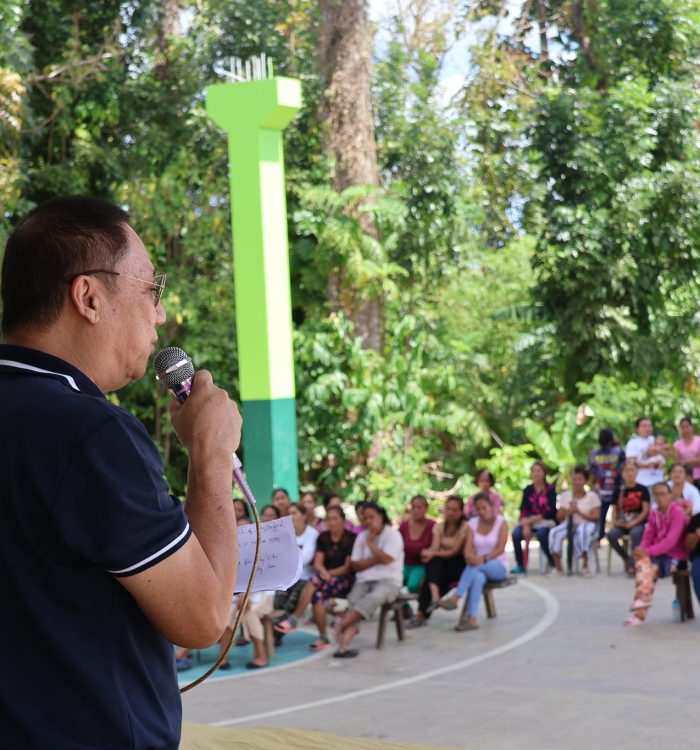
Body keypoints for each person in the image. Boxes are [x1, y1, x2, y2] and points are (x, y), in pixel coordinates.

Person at [0, 196, 241, 749]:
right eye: (152, 291)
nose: (160, 315)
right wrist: (209, 461)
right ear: (87, 296)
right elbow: (203, 619)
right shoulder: (88, 432)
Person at [273, 505, 356, 649]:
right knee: (317, 596)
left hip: (344, 579)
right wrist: (323, 571)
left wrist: (328, 574)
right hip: (324, 578)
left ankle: (294, 618)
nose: (331, 522)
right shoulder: (324, 537)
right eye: (328, 519)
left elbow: (347, 567)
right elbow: (318, 562)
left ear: (343, 520)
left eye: (335, 518)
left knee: (313, 582)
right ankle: (323, 637)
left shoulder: (351, 538)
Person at [333, 502, 404, 658]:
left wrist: (371, 545)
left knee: (374, 597)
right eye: (365, 518)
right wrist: (377, 559)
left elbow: (387, 559)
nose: (368, 521)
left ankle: (341, 625)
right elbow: (355, 565)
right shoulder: (361, 536)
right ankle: (344, 647)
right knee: (354, 601)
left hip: (389, 581)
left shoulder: (393, 535)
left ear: (382, 517)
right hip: (364, 580)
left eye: (372, 517)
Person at [438, 493, 508, 630]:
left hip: (497, 565)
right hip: (477, 564)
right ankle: (472, 618)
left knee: (476, 566)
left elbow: (500, 549)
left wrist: (482, 558)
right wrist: (469, 557)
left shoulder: (501, 522)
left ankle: (456, 596)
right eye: (478, 509)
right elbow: (468, 548)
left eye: (484, 508)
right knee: (477, 578)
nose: (481, 512)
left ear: (491, 507)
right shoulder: (472, 524)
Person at [624, 482, 688, 626]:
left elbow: (670, 541)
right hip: (659, 554)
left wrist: (647, 552)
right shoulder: (654, 513)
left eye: (664, 494)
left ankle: (640, 611)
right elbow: (648, 537)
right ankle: (641, 607)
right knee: (643, 563)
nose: (660, 497)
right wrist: (641, 550)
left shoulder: (677, 513)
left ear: (670, 495)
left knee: (649, 568)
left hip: (676, 557)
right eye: (657, 494)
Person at [412, 495, 468, 625]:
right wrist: (429, 553)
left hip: (459, 563)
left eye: (454, 510)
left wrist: (432, 553)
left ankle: (423, 612)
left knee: (435, 573)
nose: (450, 512)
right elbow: (435, 547)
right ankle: (435, 597)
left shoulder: (466, 527)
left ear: (461, 511)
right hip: (442, 562)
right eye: (448, 509)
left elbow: (455, 551)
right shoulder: (440, 526)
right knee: (433, 566)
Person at [272, 502, 319, 637]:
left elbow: (306, 559)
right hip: (285, 577)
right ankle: (275, 634)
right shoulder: (285, 534)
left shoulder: (313, 534)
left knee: (290, 604)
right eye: (288, 513)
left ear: (304, 516)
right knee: (277, 603)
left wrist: (287, 559)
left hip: (304, 578)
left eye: (294, 513)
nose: (290, 517)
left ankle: (278, 632)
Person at [548, 466, 600, 575]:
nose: (577, 482)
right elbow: (559, 517)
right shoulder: (566, 495)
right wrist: (568, 511)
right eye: (575, 479)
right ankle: (558, 567)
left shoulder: (592, 496)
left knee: (583, 532)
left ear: (585, 481)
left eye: (580, 479)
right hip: (568, 524)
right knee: (554, 533)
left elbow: (596, 517)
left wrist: (579, 512)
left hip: (585, 524)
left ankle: (585, 565)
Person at [511, 462, 557, 574]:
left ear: (544, 473)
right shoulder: (528, 490)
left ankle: (552, 562)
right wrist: (526, 524)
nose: (536, 474)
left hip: (545, 522)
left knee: (542, 534)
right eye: (534, 471)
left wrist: (532, 520)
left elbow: (551, 511)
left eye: (539, 471)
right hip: (528, 522)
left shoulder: (550, 489)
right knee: (516, 534)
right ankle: (520, 564)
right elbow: (523, 509)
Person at [607, 462, 651, 575]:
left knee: (636, 534)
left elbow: (646, 510)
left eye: (632, 470)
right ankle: (626, 558)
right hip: (623, 522)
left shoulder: (643, 489)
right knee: (611, 535)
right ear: (622, 473)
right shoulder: (618, 490)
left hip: (638, 521)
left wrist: (634, 522)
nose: (629, 473)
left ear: (637, 473)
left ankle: (632, 564)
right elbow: (614, 508)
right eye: (627, 470)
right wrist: (615, 521)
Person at [588, 428, 625, 539]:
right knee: (618, 513)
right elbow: (622, 468)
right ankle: (617, 533)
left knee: (601, 514)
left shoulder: (594, 453)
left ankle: (599, 535)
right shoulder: (618, 451)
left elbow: (591, 470)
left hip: (601, 488)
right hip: (615, 488)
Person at [398, 494, 436, 595]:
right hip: (403, 563)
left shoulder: (432, 526)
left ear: (426, 508)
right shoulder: (404, 525)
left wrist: (429, 552)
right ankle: (404, 607)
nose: (415, 510)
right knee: (393, 583)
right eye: (413, 507)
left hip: (421, 564)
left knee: (413, 585)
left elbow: (436, 546)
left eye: (419, 507)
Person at [625, 417, 665, 489]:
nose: (647, 428)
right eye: (644, 426)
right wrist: (649, 465)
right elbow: (632, 462)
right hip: (642, 482)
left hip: (658, 481)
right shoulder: (633, 443)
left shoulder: (654, 439)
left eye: (649, 425)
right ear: (637, 429)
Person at [673, 417, 700, 489]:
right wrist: (694, 460)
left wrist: (684, 462)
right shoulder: (677, 444)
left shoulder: (698, 441)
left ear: (692, 427)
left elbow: (699, 461)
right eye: (682, 427)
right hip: (684, 478)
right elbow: (677, 463)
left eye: (687, 426)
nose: (685, 429)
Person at [684, 512, 700, 607]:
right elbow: (688, 545)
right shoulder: (696, 519)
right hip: (698, 556)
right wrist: (696, 536)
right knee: (697, 574)